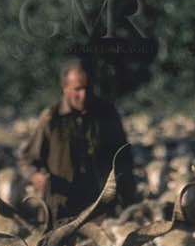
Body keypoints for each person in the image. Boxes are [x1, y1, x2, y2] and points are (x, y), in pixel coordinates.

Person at [23, 58, 136, 219]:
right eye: (77, 89)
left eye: (87, 89)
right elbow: (27, 158)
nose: (83, 95)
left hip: (100, 206)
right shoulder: (51, 118)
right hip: (61, 207)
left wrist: (127, 198)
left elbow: (124, 156)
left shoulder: (107, 113)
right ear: (65, 88)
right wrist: (35, 176)